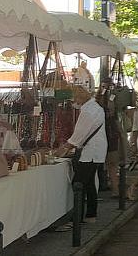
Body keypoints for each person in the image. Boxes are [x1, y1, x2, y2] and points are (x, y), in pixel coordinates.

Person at [57, 86, 107, 223]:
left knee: (78, 183)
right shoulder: (95, 108)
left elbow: (79, 135)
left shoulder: (88, 111)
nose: (73, 102)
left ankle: (78, 216)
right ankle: (91, 214)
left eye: (74, 99)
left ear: (79, 98)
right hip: (96, 150)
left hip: (91, 151)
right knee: (89, 182)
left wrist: (63, 149)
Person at [98, 79, 125, 197]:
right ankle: (112, 189)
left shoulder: (111, 98)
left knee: (111, 164)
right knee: (110, 165)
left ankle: (115, 190)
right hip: (106, 134)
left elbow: (113, 111)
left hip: (108, 134)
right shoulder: (99, 100)